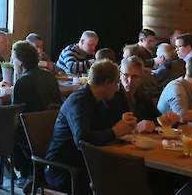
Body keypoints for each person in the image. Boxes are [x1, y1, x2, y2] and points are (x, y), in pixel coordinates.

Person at [44, 60, 139, 194]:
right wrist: (114, 132)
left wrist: (123, 124)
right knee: (121, 180)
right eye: (116, 82)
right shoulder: (79, 101)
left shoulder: (98, 100)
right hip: (65, 170)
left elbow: (103, 129)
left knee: (128, 174)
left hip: (87, 163)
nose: (117, 87)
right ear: (107, 83)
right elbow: (81, 141)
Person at [11, 40, 61, 185]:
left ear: (20, 62)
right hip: (53, 130)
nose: (12, 61)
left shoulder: (22, 82)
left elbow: (17, 114)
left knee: (8, 132)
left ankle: (26, 174)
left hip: (31, 134)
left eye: (13, 58)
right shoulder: (49, 76)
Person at [120, 56, 177, 126]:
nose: (130, 80)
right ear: (120, 75)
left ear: (141, 78)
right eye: (126, 75)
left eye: (134, 76)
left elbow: (157, 119)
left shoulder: (143, 97)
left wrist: (168, 120)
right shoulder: (112, 96)